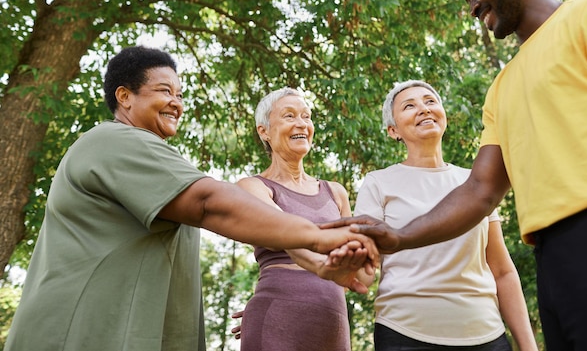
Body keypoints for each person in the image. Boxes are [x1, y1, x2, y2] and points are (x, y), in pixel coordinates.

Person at [323, 0, 587, 351]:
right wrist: (399, 237)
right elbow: (481, 191)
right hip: (554, 259)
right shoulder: (501, 87)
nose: (471, 7)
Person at [4, 46, 378, 351]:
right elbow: (208, 203)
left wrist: (317, 266)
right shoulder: (114, 141)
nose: (177, 103)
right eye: (165, 91)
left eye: (180, 94)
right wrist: (320, 237)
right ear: (125, 97)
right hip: (83, 334)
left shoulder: (151, 155)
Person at [355, 80, 536, 351]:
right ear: (393, 130)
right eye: (409, 106)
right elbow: (365, 269)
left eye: (430, 102)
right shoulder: (378, 183)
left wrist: (528, 346)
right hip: (404, 334)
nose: (424, 109)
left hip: (486, 335)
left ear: (443, 115)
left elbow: (502, 271)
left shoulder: (476, 184)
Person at [235, 87, 374, 351]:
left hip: (331, 322)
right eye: (289, 116)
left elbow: (362, 279)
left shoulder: (336, 192)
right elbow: (286, 234)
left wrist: (365, 258)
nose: (301, 124)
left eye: (306, 116)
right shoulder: (252, 187)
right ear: (264, 130)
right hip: (276, 317)